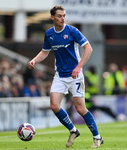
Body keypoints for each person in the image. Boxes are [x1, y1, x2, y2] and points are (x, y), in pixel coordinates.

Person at [28, 6, 103, 148]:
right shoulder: (49, 34)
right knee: (54, 105)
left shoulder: (72, 31)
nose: (63, 18)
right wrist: (34, 60)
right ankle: (73, 130)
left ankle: (97, 137)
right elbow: (45, 52)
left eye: (64, 15)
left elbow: (89, 48)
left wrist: (79, 67)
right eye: (59, 16)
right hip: (60, 76)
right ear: (52, 17)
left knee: (81, 109)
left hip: (75, 76)